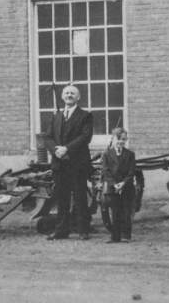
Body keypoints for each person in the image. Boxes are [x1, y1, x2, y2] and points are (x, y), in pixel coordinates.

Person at [46, 84, 94, 240]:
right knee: (61, 198)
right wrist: (55, 150)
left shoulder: (85, 116)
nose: (69, 95)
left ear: (78, 97)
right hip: (59, 163)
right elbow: (48, 137)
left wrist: (66, 148)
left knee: (80, 196)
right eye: (66, 93)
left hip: (78, 163)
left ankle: (83, 230)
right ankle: (61, 230)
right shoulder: (56, 116)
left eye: (72, 93)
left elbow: (85, 137)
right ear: (62, 97)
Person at [100, 126, 136, 243]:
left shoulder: (130, 154)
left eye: (124, 139)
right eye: (119, 139)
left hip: (126, 186)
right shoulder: (106, 154)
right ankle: (115, 236)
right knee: (115, 211)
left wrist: (123, 183)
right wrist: (114, 184)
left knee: (126, 210)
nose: (121, 142)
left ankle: (126, 235)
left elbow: (131, 172)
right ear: (113, 139)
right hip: (112, 187)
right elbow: (105, 171)